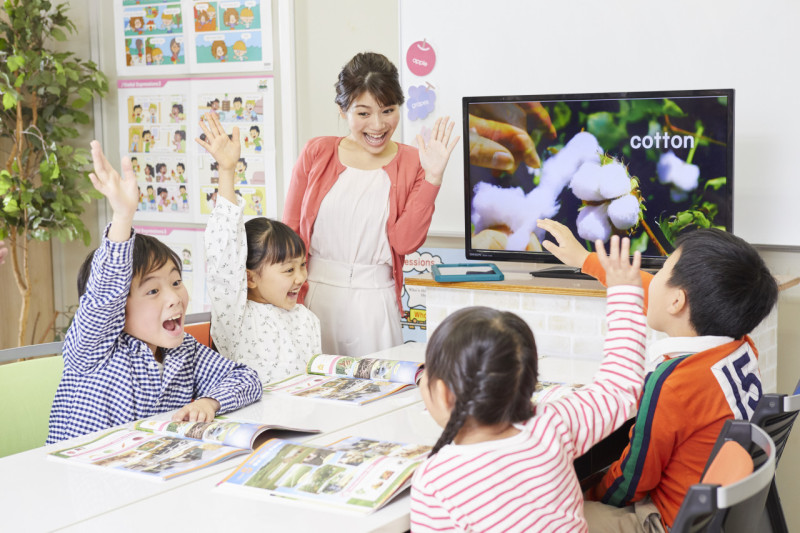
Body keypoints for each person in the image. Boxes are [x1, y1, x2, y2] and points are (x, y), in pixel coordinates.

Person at [537, 218, 779, 532]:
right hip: (703, 511)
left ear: (677, 300)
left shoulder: (674, 383)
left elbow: (632, 478)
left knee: (542, 514)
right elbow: (662, 297)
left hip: (662, 521)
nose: (652, 280)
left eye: (662, 270)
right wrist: (585, 260)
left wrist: (588, 494)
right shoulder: (739, 348)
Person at [410, 235, 647, 531]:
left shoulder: (434, 482)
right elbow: (619, 386)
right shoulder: (553, 426)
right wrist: (625, 293)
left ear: (444, 394)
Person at [47, 141, 262, 445]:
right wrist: (123, 217)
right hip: (83, 478)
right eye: (152, 291)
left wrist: (208, 402)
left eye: (175, 283)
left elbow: (245, 379)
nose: (174, 297)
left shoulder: (183, 350)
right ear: (118, 308)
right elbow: (103, 298)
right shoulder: (92, 350)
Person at [283, 51, 459, 356]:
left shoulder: (413, 161)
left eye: (388, 110)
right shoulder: (317, 152)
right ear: (343, 111)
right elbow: (289, 234)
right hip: (312, 296)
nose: (377, 125)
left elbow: (404, 242)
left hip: (375, 301)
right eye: (363, 113)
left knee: (377, 391)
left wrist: (433, 177)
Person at [197, 113, 321, 386]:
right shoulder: (236, 319)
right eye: (289, 269)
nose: (300, 278)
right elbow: (224, 252)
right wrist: (227, 171)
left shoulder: (307, 320)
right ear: (250, 277)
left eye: (301, 266)